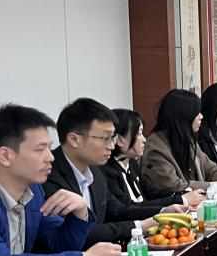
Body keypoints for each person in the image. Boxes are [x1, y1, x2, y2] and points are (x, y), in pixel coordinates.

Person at [0, 104, 120, 256]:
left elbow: (57, 245)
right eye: (40, 150)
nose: (50, 157)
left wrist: (80, 212)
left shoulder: (34, 191)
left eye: (49, 148)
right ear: (5, 156)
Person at [44, 98, 187, 247]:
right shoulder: (48, 175)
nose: (111, 146)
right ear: (74, 139)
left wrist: (163, 212)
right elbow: (75, 234)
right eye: (105, 138)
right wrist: (140, 226)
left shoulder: (95, 170)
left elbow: (118, 211)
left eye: (113, 138)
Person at [104, 108, 203, 210]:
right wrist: (180, 200)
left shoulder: (132, 164)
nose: (144, 139)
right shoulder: (108, 171)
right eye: (139, 134)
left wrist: (183, 193)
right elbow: (128, 208)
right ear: (120, 140)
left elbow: (152, 192)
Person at [141, 89, 217, 199]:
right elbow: (174, 186)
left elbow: (211, 168)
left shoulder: (187, 139)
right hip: (174, 206)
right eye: (196, 113)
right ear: (184, 116)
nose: (201, 116)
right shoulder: (156, 148)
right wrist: (212, 185)